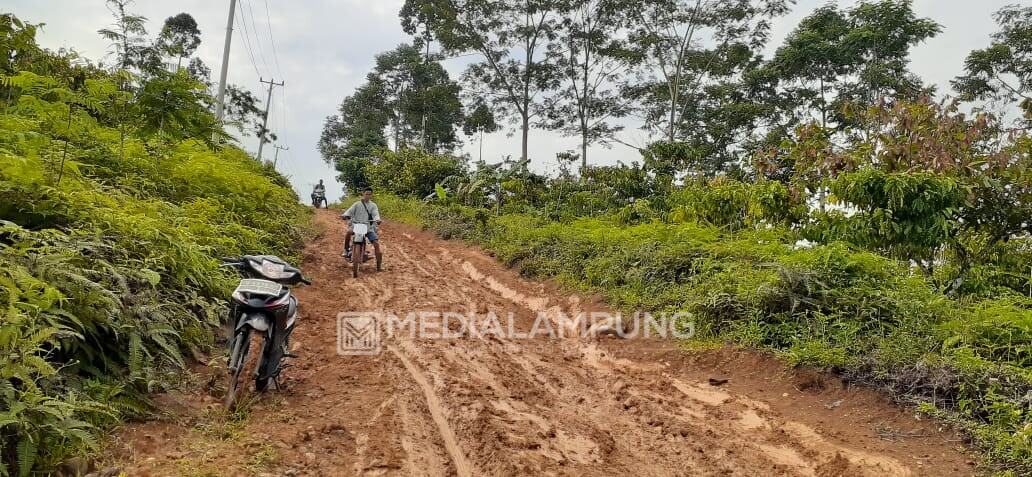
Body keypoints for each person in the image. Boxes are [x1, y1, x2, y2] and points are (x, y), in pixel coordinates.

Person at [340, 187, 383, 271]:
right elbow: (349, 211)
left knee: (376, 244)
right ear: (363, 194)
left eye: (369, 194)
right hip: (356, 225)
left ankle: (379, 266)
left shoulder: (373, 205)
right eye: (366, 194)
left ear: (371, 195)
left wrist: (378, 219)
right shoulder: (357, 204)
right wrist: (344, 215)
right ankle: (346, 249)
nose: (368, 196)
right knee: (348, 232)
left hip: (368, 227)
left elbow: (376, 214)